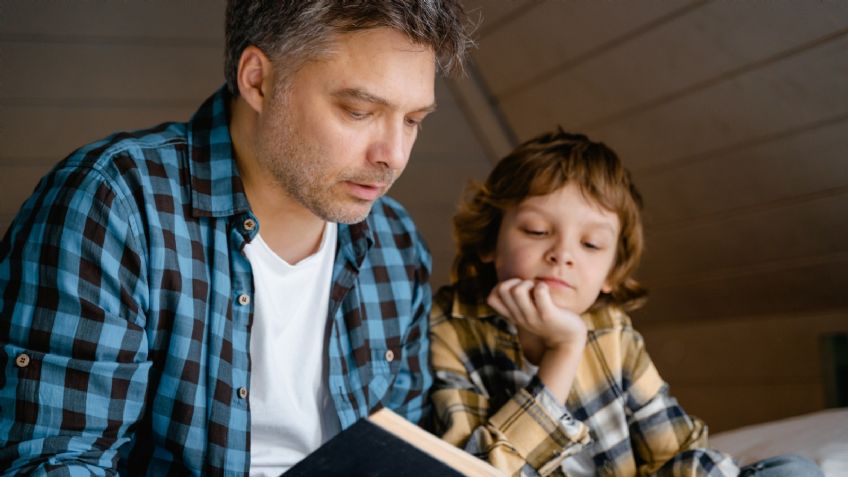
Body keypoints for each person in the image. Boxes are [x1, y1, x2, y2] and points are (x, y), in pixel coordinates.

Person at [0, 1, 472, 475]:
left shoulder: (395, 242)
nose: (393, 155)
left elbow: (404, 454)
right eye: (359, 111)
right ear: (258, 81)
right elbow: (53, 460)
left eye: (413, 121)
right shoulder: (117, 202)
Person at [429, 129, 824, 477]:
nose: (563, 254)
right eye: (537, 230)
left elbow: (675, 454)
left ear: (611, 274)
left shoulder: (613, 329)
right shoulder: (449, 328)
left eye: (591, 244)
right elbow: (471, 472)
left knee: (796, 470)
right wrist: (564, 350)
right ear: (488, 243)